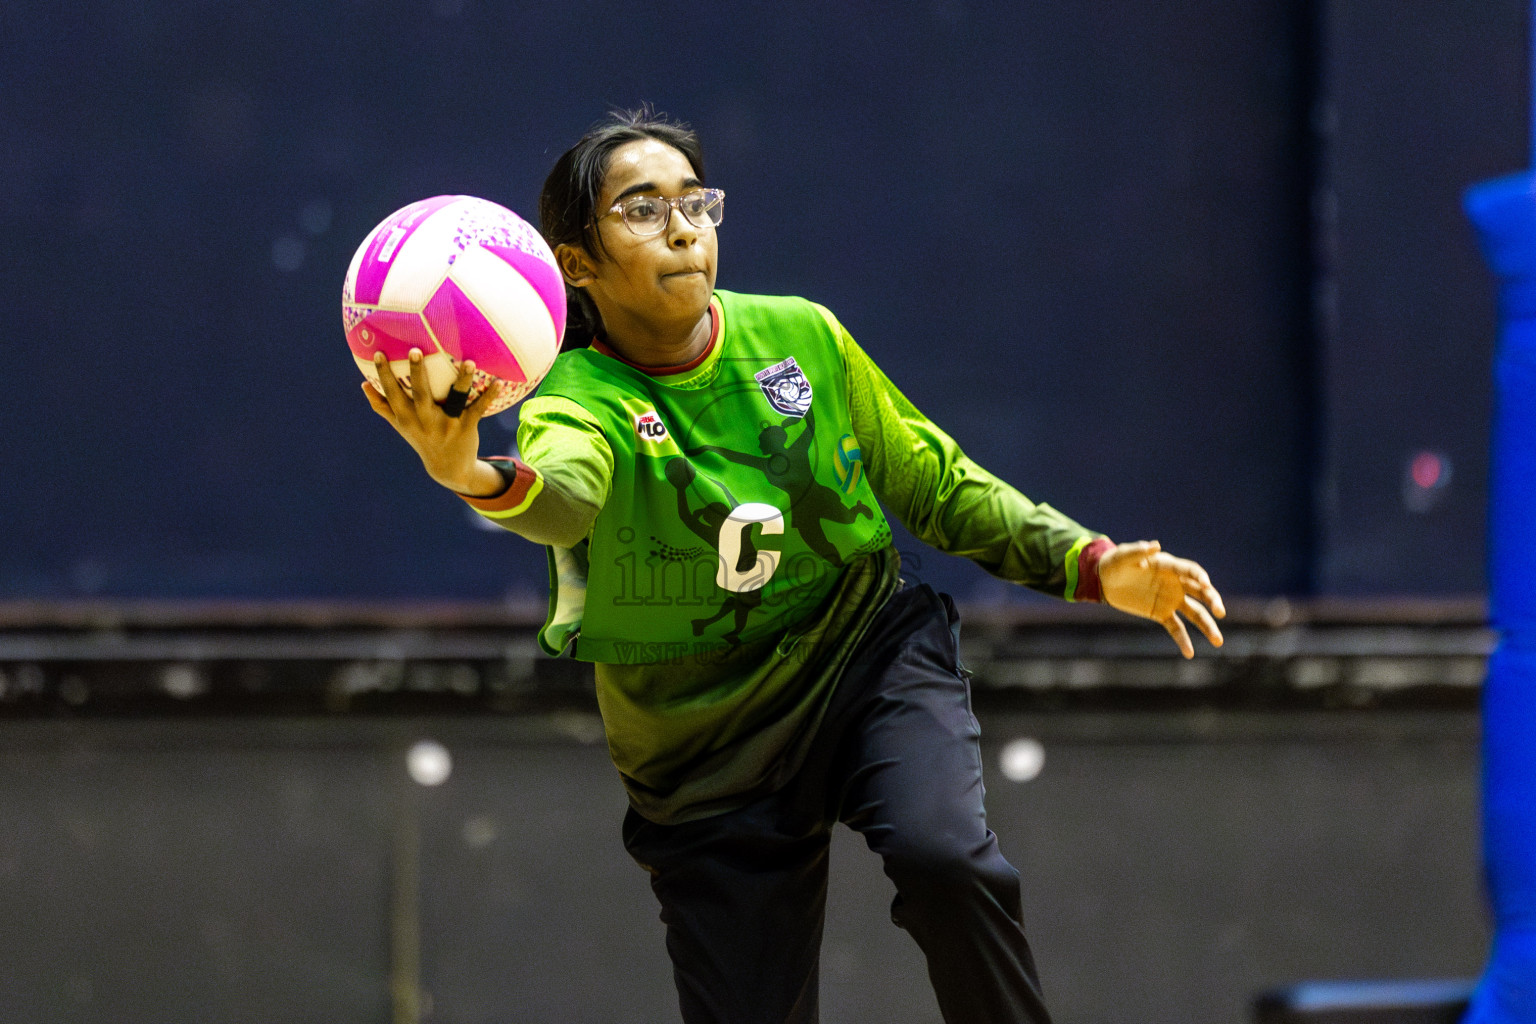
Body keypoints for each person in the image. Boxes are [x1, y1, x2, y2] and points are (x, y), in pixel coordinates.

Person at [363, 107, 1226, 1024]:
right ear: (577, 263)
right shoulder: (574, 399)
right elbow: (564, 493)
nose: (685, 227)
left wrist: (1090, 565)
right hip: (701, 752)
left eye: (696, 202)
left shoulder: (801, 337)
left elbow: (938, 484)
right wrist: (466, 470)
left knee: (949, 860)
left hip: (862, 657)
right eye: (642, 210)